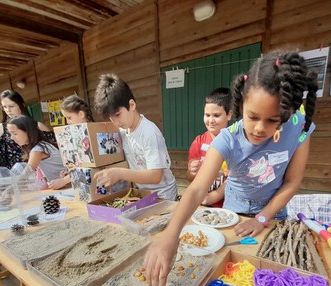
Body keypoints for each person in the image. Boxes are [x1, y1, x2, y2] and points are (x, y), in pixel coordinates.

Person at [143, 51, 319, 286]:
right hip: (233, 214)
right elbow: (196, 189)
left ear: (286, 114)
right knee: (233, 275)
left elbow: (292, 182)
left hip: (273, 214)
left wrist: (262, 218)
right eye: (253, 116)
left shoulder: (299, 126)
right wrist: (170, 235)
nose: (259, 128)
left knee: (269, 278)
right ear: (240, 105)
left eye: (273, 120)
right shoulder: (229, 137)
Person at [93, 73, 177, 201]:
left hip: (163, 196)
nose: (116, 122)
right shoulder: (123, 131)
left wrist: (119, 173)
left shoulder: (149, 133)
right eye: (111, 118)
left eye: (118, 114)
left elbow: (155, 176)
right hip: (143, 194)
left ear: (131, 105)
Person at [187, 87, 232, 207]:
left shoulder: (235, 143)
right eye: (207, 115)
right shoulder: (198, 142)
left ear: (229, 115)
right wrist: (192, 171)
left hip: (228, 206)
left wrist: (216, 195)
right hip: (203, 204)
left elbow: (235, 178)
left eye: (216, 115)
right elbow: (190, 178)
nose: (211, 120)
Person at [0, 90, 55, 169]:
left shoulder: (38, 126)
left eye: (11, 106)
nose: (8, 110)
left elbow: (52, 149)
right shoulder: (0, 128)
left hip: (40, 170)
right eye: (4, 107)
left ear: (21, 105)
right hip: (14, 172)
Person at [46, 95, 95, 190]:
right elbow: (80, 164)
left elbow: (91, 166)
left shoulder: (91, 134)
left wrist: (65, 180)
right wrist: (69, 173)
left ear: (81, 114)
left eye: (69, 117)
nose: (67, 122)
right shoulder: (79, 135)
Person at [7, 115, 65, 186]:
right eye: (10, 134)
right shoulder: (43, 145)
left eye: (15, 133)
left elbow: (24, 177)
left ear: (28, 131)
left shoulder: (38, 150)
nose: (12, 137)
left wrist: (7, 192)